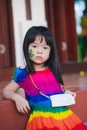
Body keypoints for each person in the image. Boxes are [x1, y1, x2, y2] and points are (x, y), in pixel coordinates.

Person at [2, 26, 87, 130]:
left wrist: (65, 92)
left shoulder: (52, 70)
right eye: (34, 46)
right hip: (42, 119)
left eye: (45, 47)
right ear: (26, 48)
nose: (39, 51)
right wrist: (17, 98)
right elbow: (6, 91)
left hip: (64, 117)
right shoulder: (23, 74)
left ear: (50, 52)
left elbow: (58, 88)